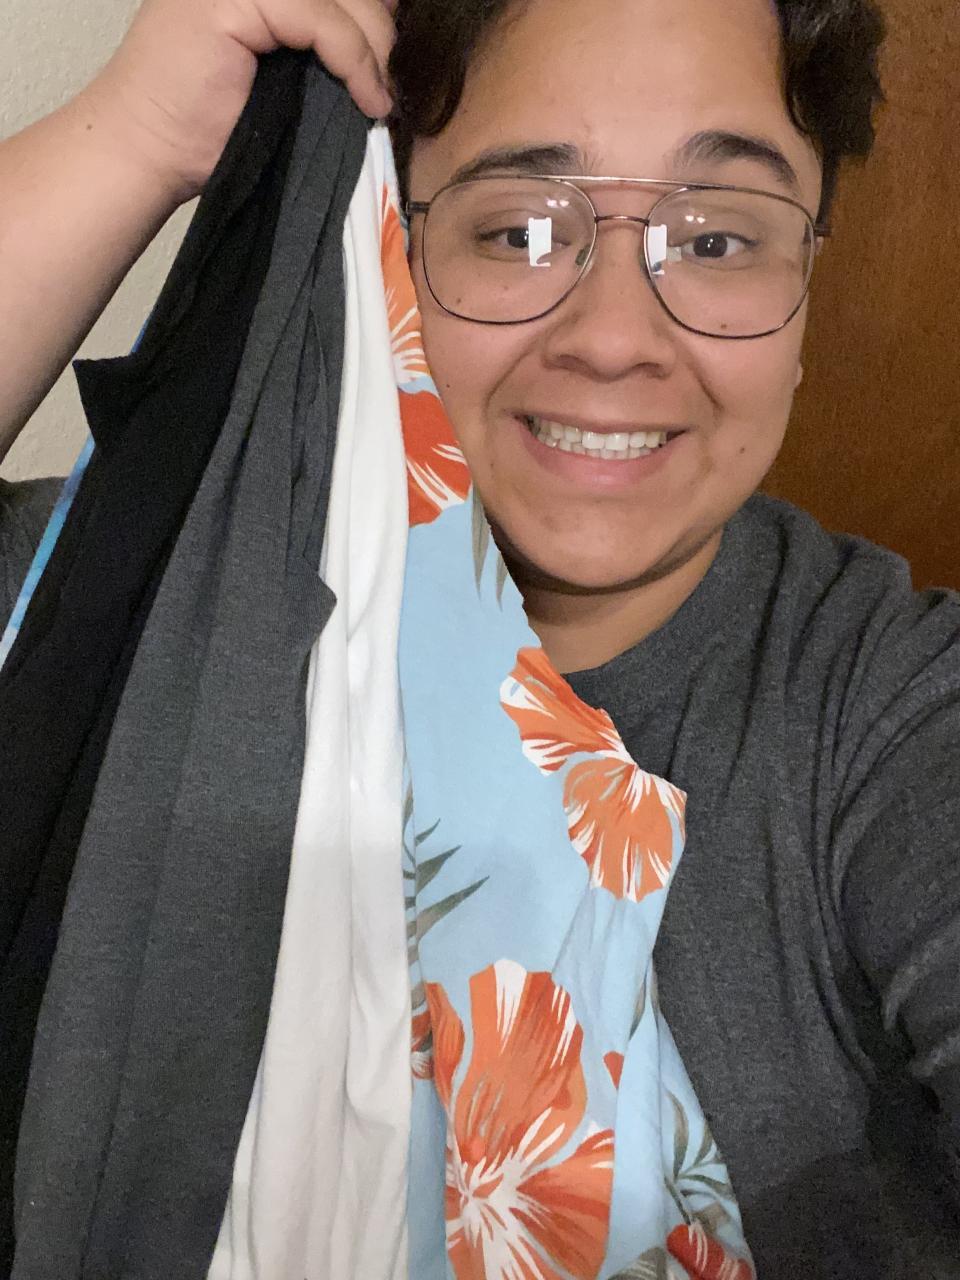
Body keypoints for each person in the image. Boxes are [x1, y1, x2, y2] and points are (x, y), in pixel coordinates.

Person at [1, 0, 958, 1274]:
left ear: (804, 288)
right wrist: (133, 138)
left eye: (717, 239)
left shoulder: (888, 707)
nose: (613, 340)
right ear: (393, 249)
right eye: (517, 230)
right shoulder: (149, 601)